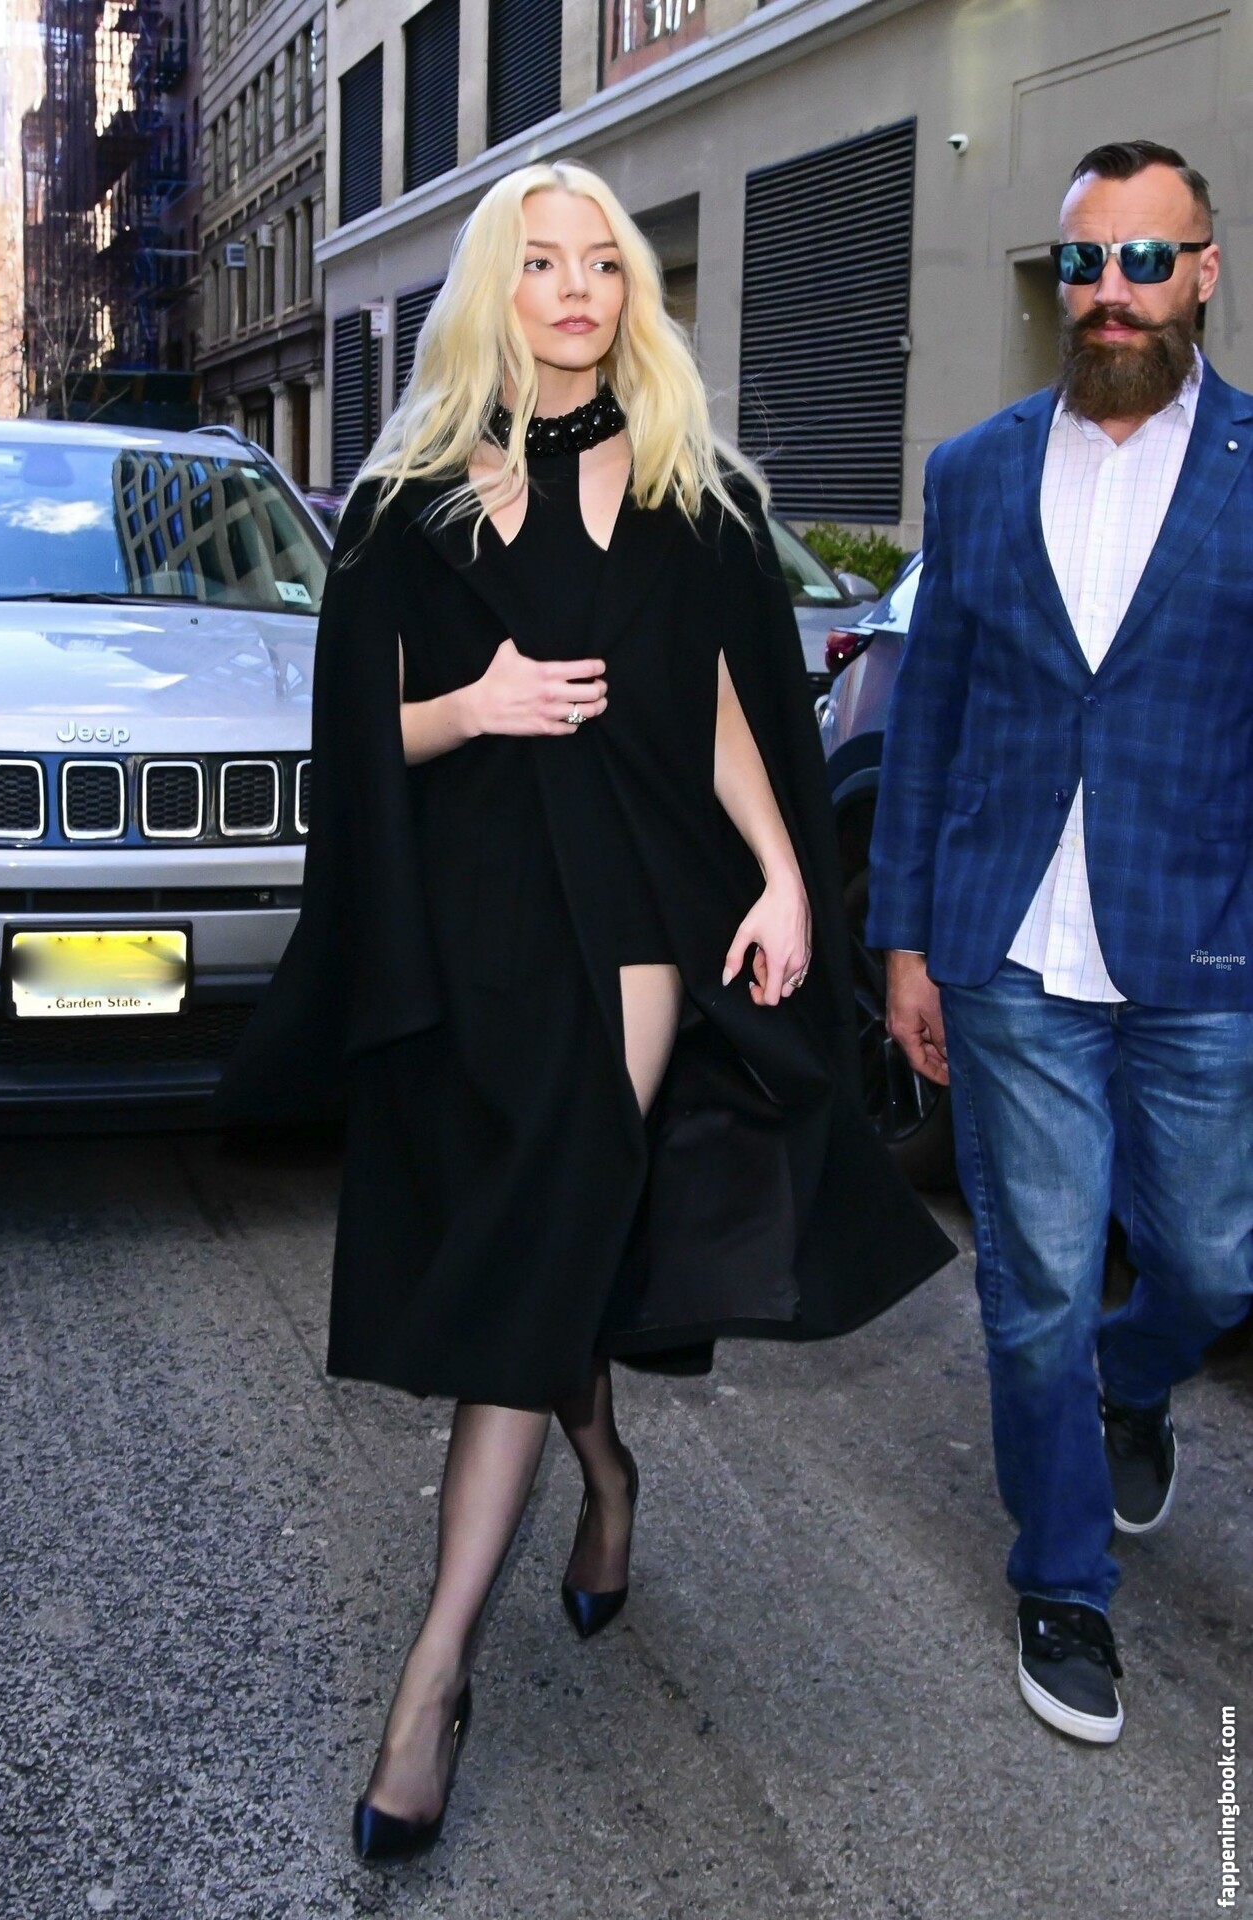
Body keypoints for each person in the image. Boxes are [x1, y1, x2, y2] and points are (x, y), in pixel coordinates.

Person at [219, 159, 952, 1856]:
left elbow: (723, 708)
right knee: (538, 1239)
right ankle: (604, 1465)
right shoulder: (407, 501)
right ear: (497, 288)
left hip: (633, 913)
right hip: (465, 921)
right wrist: (470, 706)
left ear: (630, 293)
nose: (574, 289)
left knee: (548, 1214)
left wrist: (781, 875)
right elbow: (351, 744)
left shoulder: (692, 492)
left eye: (601, 264)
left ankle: (431, 1682)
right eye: (541, 262)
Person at [869, 139, 1253, 1745]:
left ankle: (1133, 1375)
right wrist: (901, 943)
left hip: (1201, 950)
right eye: (1084, 260)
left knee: (1212, 1261)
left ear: (1202, 273)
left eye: (1143, 260)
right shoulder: (973, 470)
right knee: (1031, 1282)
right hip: (1009, 950)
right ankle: (1063, 1579)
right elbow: (926, 723)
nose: (1109, 290)